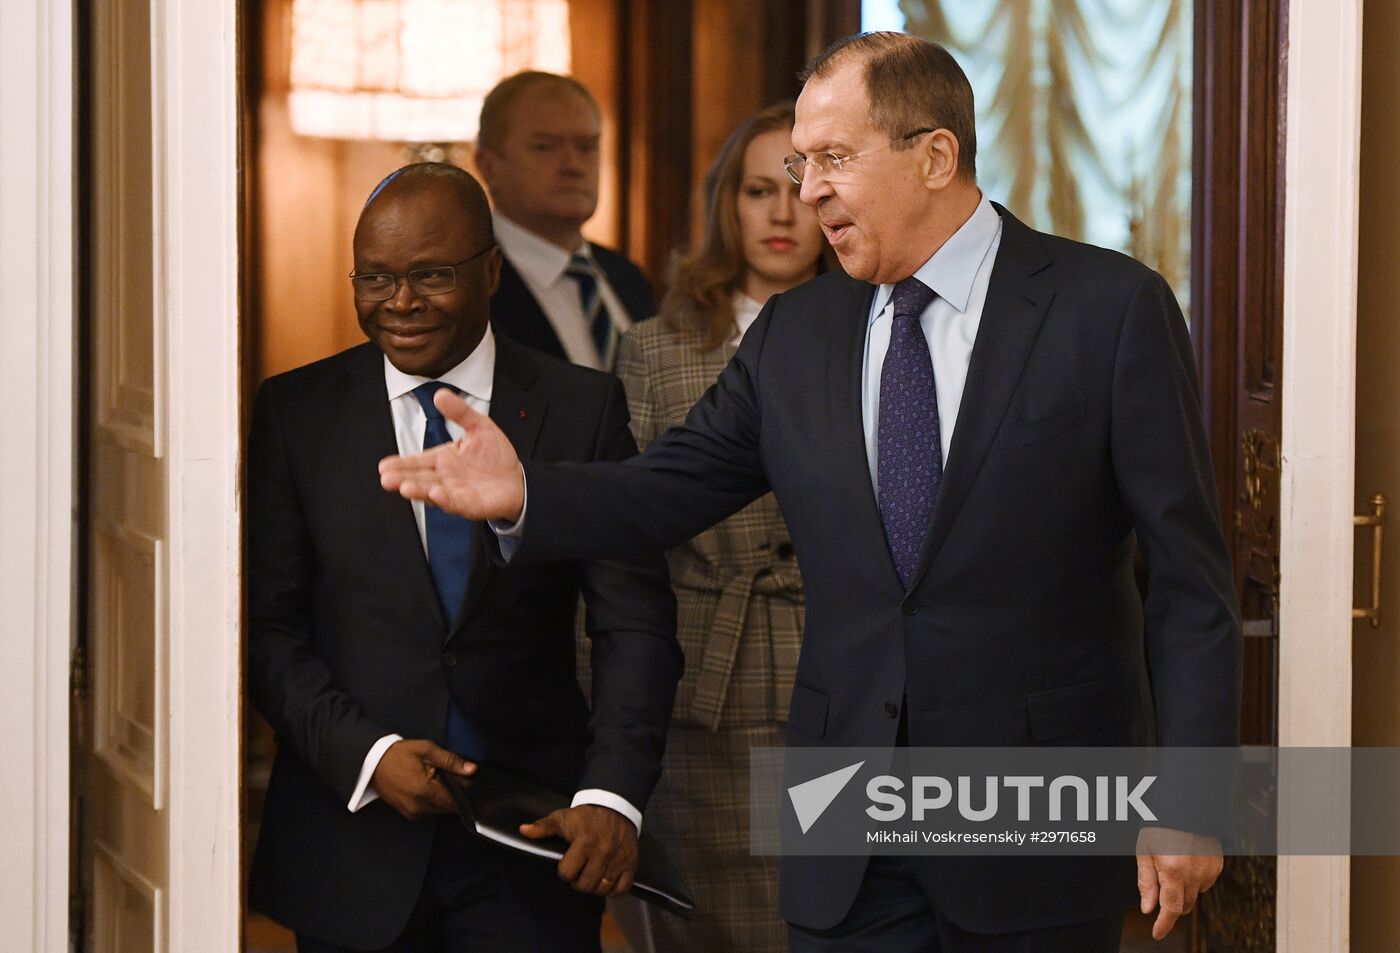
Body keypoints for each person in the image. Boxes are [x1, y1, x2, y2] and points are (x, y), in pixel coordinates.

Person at [379, 33, 1243, 953]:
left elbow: (1192, 588)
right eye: (799, 164)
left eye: (833, 158)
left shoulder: (1108, 310)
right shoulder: (800, 330)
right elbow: (667, 488)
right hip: (847, 826)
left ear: (936, 155)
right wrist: (525, 492)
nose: (808, 190)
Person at [247, 162, 681, 953]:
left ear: (489, 271)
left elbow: (636, 625)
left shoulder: (581, 409)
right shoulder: (295, 412)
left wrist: (612, 795)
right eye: (374, 278)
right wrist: (370, 754)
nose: (400, 302)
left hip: (533, 842)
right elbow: (271, 631)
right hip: (353, 843)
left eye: (430, 275)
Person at [615, 102, 827, 952]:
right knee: (711, 930)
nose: (781, 213)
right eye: (757, 190)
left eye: (802, 189)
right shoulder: (655, 348)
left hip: (838, 677)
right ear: (724, 205)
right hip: (708, 685)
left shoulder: (885, 331)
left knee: (831, 917)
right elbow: (623, 538)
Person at [475, 71, 654, 370]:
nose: (573, 165)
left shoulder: (627, 276)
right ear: (489, 166)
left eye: (586, 147)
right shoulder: (470, 288)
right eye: (545, 147)